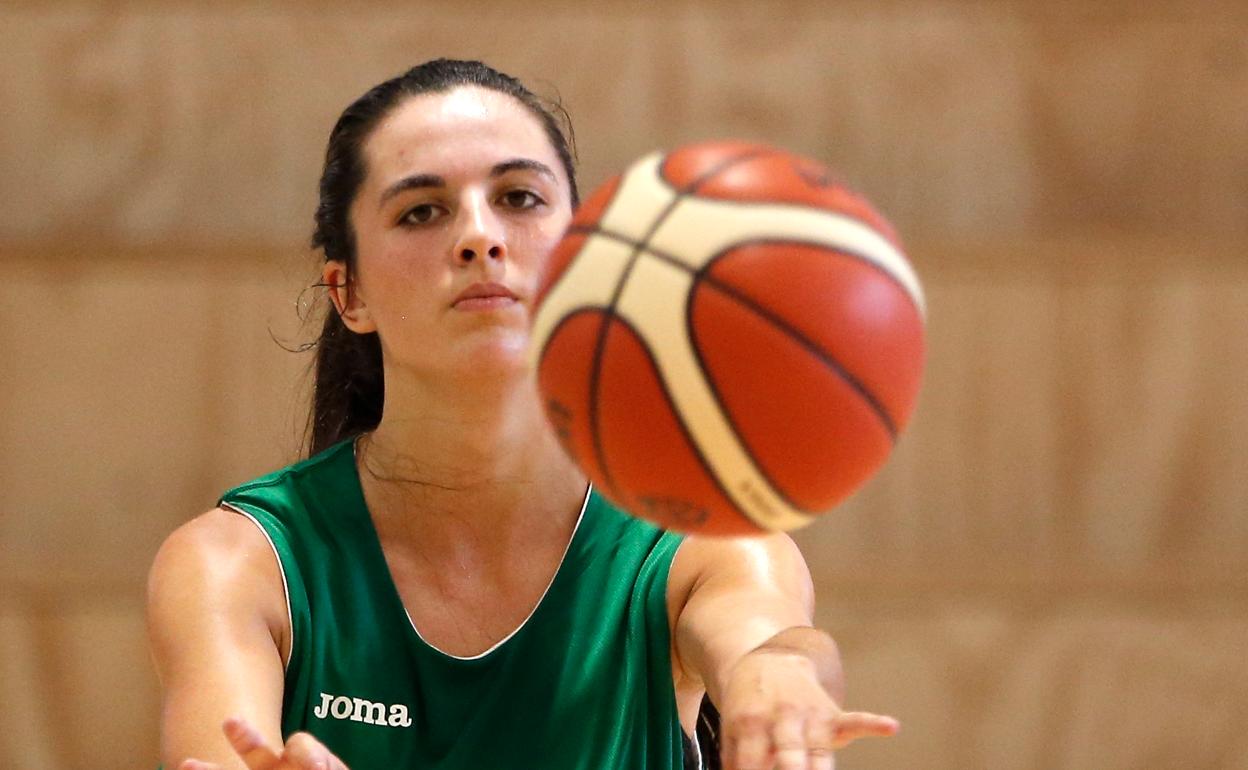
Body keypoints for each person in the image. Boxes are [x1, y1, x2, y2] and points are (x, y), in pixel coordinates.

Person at [146, 58, 899, 770]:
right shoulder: (236, 564)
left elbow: (773, 637)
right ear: (350, 294)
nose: (479, 236)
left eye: (518, 198)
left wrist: (780, 678)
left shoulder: (697, 536)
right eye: (421, 211)